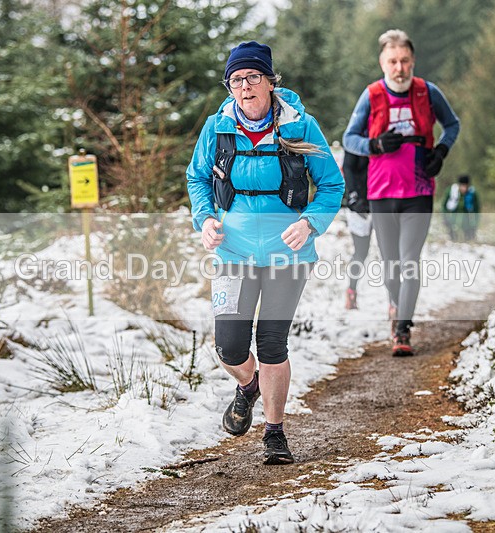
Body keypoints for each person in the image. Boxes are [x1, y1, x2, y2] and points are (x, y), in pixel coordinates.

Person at [186, 41, 344, 465]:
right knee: (229, 348)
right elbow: (197, 178)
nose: (245, 86)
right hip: (233, 251)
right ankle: (248, 385)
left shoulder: (300, 126)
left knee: (272, 343)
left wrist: (309, 223)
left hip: (287, 253)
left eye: (253, 77)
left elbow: (332, 184)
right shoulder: (217, 127)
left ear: (271, 82)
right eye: (236, 80)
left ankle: (274, 433)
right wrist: (205, 218)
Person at [343, 29, 460, 357]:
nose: (399, 68)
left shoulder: (427, 92)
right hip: (381, 192)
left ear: (413, 61)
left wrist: (441, 152)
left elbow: (452, 125)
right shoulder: (371, 95)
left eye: (405, 61)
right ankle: (395, 303)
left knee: (409, 262)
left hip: (418, 190)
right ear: (383, 63)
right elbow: (349, 138)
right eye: (393, 61)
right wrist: (374, 145)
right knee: (391, 265)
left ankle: (402, 329)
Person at [343, 151, 372, 310]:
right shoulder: (355, 140)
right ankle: (351, 292)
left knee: (389, 253)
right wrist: (353, 195)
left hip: (383, 201)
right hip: (359, 205)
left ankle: (394, 302)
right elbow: (347, 167)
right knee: (361, 253)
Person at [442, 174, 480, 241]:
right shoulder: (452, 191)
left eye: (465, 186)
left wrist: (474, 223)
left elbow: (477, 210)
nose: (463, 188)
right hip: (453, 221)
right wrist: (445, 218)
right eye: (462, 186)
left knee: (468, 239)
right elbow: (444, 206)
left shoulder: (472, 193)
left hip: (467, 222)